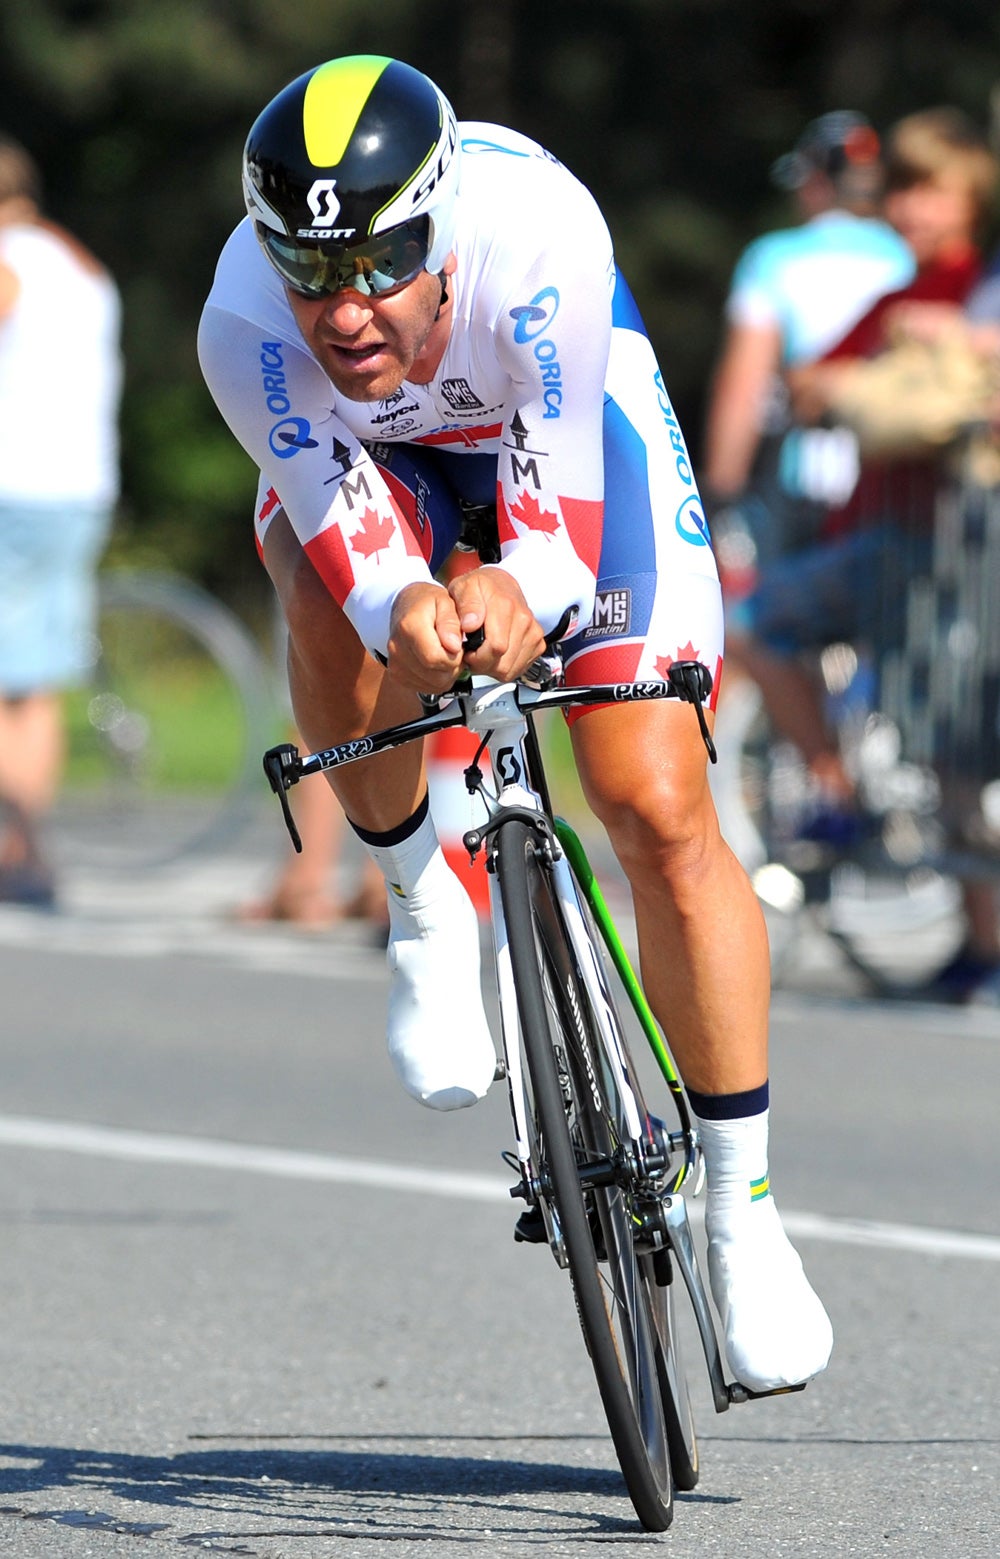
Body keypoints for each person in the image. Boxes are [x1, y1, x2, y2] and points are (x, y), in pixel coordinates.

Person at [198, 54, 832, 1393]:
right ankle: (425, 896)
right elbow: (357, 553)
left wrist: (518, 585)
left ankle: (743, 1204)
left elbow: (557, 532)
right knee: (324, 596)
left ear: (439, 231)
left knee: (653, 799)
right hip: (387, 478)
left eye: (379, 261)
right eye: (311, 269)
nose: (345, 305)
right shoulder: (242, 323)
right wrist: (416, 611)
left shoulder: (539, 239)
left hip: (567, 433)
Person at [729, 108, 1000, 1000]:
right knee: (756, 625)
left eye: (933, 189)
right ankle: (837, 785)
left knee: (959, 743)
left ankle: (981, 942)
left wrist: (919, 370)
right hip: (885, 540)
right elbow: (810, 386)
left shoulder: (976, 286)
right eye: (906, 189)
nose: (913, 208)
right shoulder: (898, 293)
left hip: (965, 545)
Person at [704, 110, 915, 582]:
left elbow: (744, 387)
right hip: (892, 481)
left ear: (819, 184)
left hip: (804, 479)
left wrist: (719, 493)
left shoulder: (773, 258)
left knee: (776, 630)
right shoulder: (909, 257)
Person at [0, 134, 122, 906]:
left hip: (16, 485)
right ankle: (22, 843)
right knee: (31, 681)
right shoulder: (82, 265)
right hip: (81, 487)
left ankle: (18, 848)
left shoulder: (10, 265)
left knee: (12, 679)